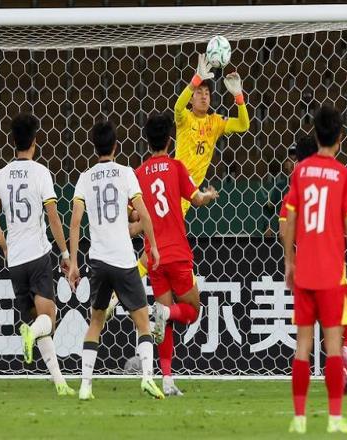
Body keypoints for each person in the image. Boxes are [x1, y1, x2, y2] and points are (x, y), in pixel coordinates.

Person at [105, 54, 249, 317]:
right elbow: (177, 106)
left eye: (207, 93)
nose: (203, 96)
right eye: (199, 93)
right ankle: (117, 290)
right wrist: (195, 79)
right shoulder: (184, 119)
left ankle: (127, 231)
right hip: (176, 188)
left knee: (148, 230)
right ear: (192, 98)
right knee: (154, 239)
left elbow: (243, 124)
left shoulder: (215, 122)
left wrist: (238, 97)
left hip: (183, 190)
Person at [67, 120, 164, 401]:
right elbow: (144, 214)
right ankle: (148, 378)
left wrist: (73, 263)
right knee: (142, 321)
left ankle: (85, 386)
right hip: (123, 259)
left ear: (94, 146)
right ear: (116, 146)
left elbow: (75, 222)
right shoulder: (126, 173)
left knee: (95, 322)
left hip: (98, 261)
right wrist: (153, 247)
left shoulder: (85, 178)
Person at [284, 105, 347, 434]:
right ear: (340, 138)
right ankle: (334, 419)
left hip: (304, 270)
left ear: (315, 135)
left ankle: (299, 418)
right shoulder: (344, 176)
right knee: (332, 347)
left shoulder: (300, 172)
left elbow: (289, 218)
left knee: (302, 346)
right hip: (331, 273)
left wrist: (289, 261)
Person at [0, 113, 74, 396]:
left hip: (15, 261)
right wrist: (65, 253)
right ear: (35, 142)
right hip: (37, 255)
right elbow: (53, 216)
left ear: (14, 142)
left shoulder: (2, 174)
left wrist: (5, 245)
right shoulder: (40, 172)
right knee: (49, 319)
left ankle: (59, 382)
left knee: (39, 319)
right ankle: (31, 333)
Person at [135, 112, 218, 396]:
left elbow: (133, 214)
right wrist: (209, 196)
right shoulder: (176, 167)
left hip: (154, 257)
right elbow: (196, 200)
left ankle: (167, 380)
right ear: (170, 140)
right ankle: (166, 312)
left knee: (164, 322)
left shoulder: (138, 174)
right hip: (178, 254)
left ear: (148, 142)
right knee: (192, 311)